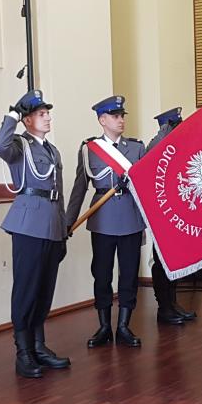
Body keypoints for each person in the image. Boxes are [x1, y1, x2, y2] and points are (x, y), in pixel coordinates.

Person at [0, 90, 71, 378]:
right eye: (41, 113)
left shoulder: (52, 150)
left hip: (51, 225)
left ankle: (39, 346)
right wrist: (12, 114)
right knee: (26, 288)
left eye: (48, 113)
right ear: (27, 120)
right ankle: (23, 351)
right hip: (28, 225)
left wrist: (62, 231)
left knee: (44, 289)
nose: (47, 117)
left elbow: (58, 194)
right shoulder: (18, 146)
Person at [66, 95, 147, 347]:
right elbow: (80, 188)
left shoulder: (136, 148)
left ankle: (123, 325)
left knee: (129, 273)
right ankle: (104, 326)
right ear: (102, 120)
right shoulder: (89, 149)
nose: (121, 120)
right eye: (115, 116)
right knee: (101, 273)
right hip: (101, 219)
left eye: (122, 115)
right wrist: (68, 222)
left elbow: (146, 187)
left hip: (130, 217)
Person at [147, 107, 197, 326]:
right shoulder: (156, 144)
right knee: (161, 261)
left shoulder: (177, 147)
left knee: (173, 259)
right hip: (161, 214)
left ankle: (172, 303)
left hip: (175, 212)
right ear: (167, 126)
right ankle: (163, 307)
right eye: (176, 126)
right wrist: (164, 133)